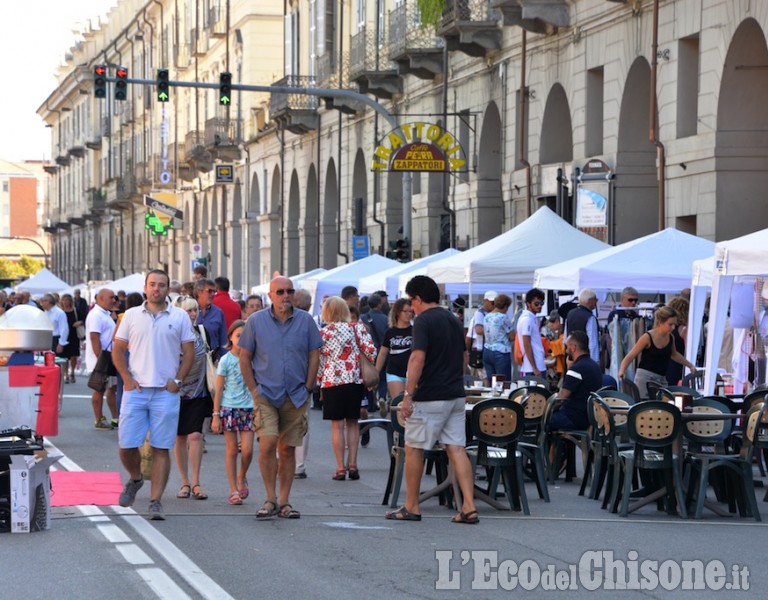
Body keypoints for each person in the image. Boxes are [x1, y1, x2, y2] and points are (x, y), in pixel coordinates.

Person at [385, 275, 478, 524]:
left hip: (430, 396)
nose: (411, 308)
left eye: (411, 302)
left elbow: (417, 358)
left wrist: (408, 394)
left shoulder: (424, 321)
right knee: (457, 449)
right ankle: (469, 506)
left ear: (417, 298)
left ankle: (412, 506)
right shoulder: (453, 319)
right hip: (455, 394)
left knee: (414, 448)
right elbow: (463, 357)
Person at [112, 270, 196, 520]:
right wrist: (126, 378)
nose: (156, 289)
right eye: (152, 285)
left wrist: (178, 380)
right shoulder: (131, 316)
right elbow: (117, 350)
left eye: (161, 285)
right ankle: (136, 479)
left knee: (161, 447)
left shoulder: (179, 316)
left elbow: (189, 352)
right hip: (136, 391)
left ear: (168, 289)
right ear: (145, 288)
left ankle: (156, 500)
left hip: (165, 393)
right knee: (126, 445)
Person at [238, 276, 323, 519]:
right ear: (271, 295)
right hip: (265, 393)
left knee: (287, 450)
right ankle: (269, 497)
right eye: (280, 291)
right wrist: (254, 390)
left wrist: (308, 386)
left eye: (289, 291)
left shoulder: (306, 321)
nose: (286, 295)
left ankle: (284, 501)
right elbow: (244, 357)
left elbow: (314, 355)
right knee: (267, 443)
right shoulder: (256, 321)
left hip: (296, 394)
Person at [318, 296, 377, 481]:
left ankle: (340, 468)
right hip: (354, 380)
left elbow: (321, 361)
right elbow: (371, 351)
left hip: (332, 382)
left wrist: (320, 383)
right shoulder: (357, 327)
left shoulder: (324, 333)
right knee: (352, 423)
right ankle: (353, 464)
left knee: (337, 426)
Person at [173, 297, 213, 502]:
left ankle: (196, 482)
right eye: (188, 310)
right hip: (176, 392)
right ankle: (184, 482)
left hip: (199, 391)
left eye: (195, 310)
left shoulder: (202, 332)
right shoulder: (172, 332)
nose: (193, 314)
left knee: (196, 436)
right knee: (180, 438)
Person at [211, 320, 254, 505]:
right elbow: (219, 389)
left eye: (244, 336)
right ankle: (233, 490)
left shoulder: (252, 358)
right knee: (231, 450)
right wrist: (216, 415)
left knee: (247, 450)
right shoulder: (226, 360)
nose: (241, 339)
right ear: (230, 337)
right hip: (229, 407)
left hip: (249, 407)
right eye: (238, 335)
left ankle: (242, 475)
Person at [618, 305, 696, 399]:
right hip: (645, 379)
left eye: (674, 324)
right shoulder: (647, 337)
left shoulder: (671, 338)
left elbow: (674, 354)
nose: (673, 327)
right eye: (670, 324)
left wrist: (689, 365)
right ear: (660, 322)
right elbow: (631, 355)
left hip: (661, 379)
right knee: (645, 405)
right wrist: (622, 370)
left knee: (664, 405)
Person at [548, 331, 603, 432]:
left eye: (566, 346)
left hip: (574, 418)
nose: (566, 349)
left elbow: (561, 398)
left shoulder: (576, 369)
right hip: (590, 418)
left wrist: (547, 410)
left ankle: (539, 447)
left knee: (543, 420)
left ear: (573, 347)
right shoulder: (594, 366)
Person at [291, 288, 317, 478]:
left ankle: (283, 460)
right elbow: (315, 355)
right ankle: (298, 465)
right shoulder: (310, 322)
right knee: (302, 424)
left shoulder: (305, 322)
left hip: (294, 382)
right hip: (302, 381)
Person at [86, 288, 119, 430]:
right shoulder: (95, 315)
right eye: (111, 297)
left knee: (112, 388)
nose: (114, 300)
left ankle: (115, 417)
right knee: (99, 389)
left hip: (108, 357)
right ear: (101, 298)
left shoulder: (105, 314)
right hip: (101, 359)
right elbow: (94, 337)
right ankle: (99, 419)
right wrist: (100, 360)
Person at [375, 298, 413, 403]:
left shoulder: (415, 330)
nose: (408, 314)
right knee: (399, 404)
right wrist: (376, 373)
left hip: (412, 373)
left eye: (410, 311)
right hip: (394, 372)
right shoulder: (390, 332)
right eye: (405, 311)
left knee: (412, 406)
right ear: (397, 312)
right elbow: (382, 354)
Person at [114, 292, 144, 424]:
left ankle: (122, 416)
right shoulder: (143, 316)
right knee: (140, 383)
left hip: (125, 351)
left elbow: (115, 337)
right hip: (138, 351)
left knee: (122, 384)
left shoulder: (122, 316)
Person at [481, 293, 515, 383]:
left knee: (492, 382)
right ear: (505, 306)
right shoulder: (503, 317)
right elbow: (512, 336)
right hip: (501, 352)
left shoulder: (486, 316)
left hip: (487, 351)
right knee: (503, 382)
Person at [465, 291, 497, 384]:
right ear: (485, 301)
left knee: (485, 379)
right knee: (484, 379)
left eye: (495, 303)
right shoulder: (480, 314)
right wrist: (467, 352)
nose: (493, 305)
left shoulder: (491, 314)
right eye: (492, 302)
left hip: (486, 352)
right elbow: (472, 335)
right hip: (479, 352)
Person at [517, 288, 547, 378]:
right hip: (532, 368)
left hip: (536, 365)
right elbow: (527, 344)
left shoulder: (531, 318)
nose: (539, 306)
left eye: (541, 303)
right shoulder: (527, 319)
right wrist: (534, 368)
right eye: (536, 304)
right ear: (528, 304)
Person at [194, 278, 227, 361]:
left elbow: (223, 340)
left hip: (213, 361)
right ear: (199, 292)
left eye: (214, 291)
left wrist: (224, 362)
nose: (213, 294)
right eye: (209, 291)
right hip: (193, 362)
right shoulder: (189, 310)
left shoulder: (218, 312)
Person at [564, 288, 600, 363]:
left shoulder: (570, 314)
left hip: (571, 357)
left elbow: (565, 339)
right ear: (589, 301)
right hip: (585, 359)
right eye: (595, 300)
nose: (596, 302)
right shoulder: (590, 317)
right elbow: (593, 343)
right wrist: (595, 362)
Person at [58, 294, 81, 384]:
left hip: (74, 335)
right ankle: (66, 374)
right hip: (64, 336)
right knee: (65, 357)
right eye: (64, 300)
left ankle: (72, 372)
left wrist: (79, 322)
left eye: (68, 300)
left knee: (73, 356)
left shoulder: (75, 311)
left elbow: (83, 318)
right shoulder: (60, 312)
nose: (66, 302)